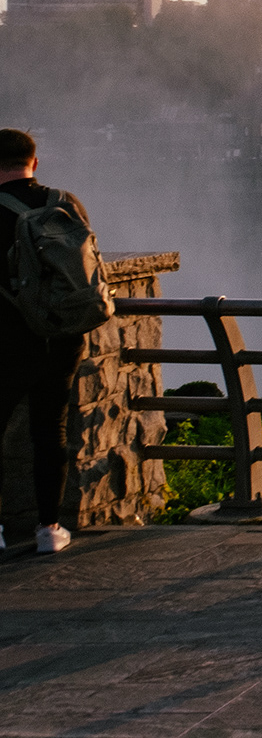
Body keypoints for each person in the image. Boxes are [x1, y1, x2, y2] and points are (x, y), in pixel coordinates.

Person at [0, 129, 88, 555]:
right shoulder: (65, 203)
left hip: (8, 338)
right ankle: (49, 529)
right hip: (62, 335)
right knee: (50, 431)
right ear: (34, 162)